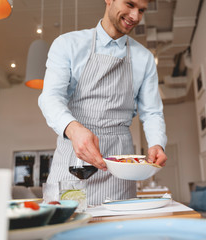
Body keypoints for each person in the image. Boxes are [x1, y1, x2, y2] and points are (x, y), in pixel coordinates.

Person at [38, 0, 167, 206]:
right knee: (66, 229)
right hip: (74, 157)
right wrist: (73, 129)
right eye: (129, 4)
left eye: (141, 10)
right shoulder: (68, 44)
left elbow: (152, 113)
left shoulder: (144, 58)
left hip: (120, 167)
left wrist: (157, 143)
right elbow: (50, 97)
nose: (135, 16)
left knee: (118, 232)